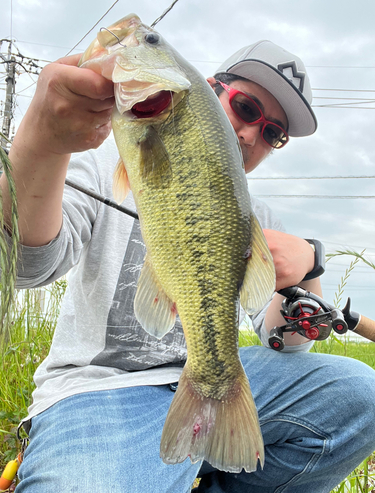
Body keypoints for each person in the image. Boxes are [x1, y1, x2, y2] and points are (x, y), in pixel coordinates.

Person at [1, 37, 374, 493]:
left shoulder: (260, 219)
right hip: (100, 390)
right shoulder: (101, 164)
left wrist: (311, 264)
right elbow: (26, 265)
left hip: (213, 374)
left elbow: (286, 346)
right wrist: (41, 143)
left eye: (274, 133)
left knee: (360, 393)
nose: (253, 135)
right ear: (210, 91)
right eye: (247, 109)